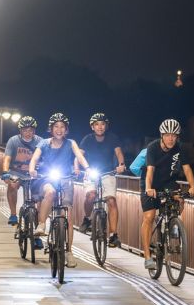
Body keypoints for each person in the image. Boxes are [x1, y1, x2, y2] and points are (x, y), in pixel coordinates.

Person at [28, 113, 90, 267]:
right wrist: (31, 169)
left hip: (66, 179)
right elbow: (34, 158)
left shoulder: (70, 143)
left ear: (66, 130)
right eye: (56, 126)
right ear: (51, 129)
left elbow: (79, 156)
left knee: (67, 214)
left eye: (62, 127)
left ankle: (69, 251)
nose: (59, 129)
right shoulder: (44, 143)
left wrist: (87, 168)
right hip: (47, 178)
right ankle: (41, 224)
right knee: (50, 193)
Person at [140, 119, 194, 270]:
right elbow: (150, 171)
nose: (171, 138)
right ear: (161, 136)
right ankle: (147, 257)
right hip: (150, 183)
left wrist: (193, 186)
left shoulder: (179, 148)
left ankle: (172, 223)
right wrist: (148, 188)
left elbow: (187, 169)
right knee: (149, 217)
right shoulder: (152, 148)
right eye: (167, 135)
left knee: (180, 199)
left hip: (168, 182)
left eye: (174, 135)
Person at [78, 112, 126, 247]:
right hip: (90, 172)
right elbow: (79, 156)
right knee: (90, 195)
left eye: (103, 124)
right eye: (97, 124)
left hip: (108, 172)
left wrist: (121, 165)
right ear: (92, 127)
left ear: (106, 126)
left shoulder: (113, 138)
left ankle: (113, 234)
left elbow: (119, 153)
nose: (100, 127)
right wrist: (77, 168)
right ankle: (87, 219)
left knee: (111, 200)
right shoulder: (87, 139)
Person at [1, 116, 43, 225]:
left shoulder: (40, 141)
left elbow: (46, 158)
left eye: (30, 130)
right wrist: (5, 172)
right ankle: (13, 214)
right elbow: (7, 158)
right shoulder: (13, 141)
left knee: (40, 195)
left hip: (34, 173)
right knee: (12, 186)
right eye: (25, 130)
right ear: (20, 131)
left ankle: (38, 227)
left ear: (34, 130)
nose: (28, 133)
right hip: (16, 172)